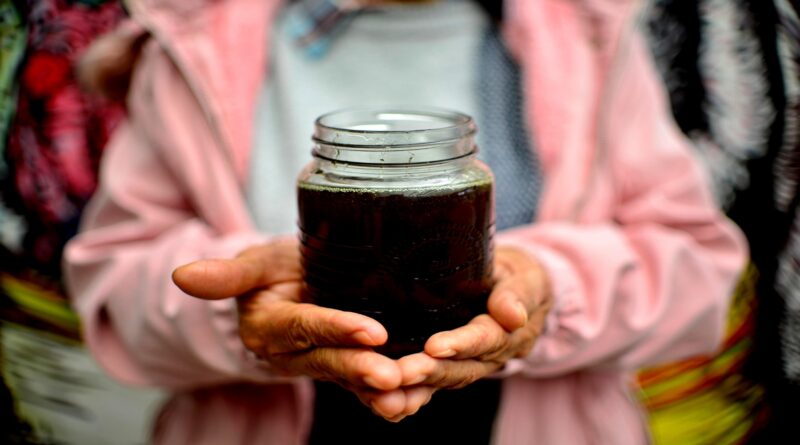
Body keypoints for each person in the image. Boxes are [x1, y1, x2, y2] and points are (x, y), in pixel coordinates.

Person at [63, 0, 747, 443]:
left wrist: (550, 287)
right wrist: (239, 309)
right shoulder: (192, 36)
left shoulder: (591, 32)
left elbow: (694, 262)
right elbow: (115, 282)